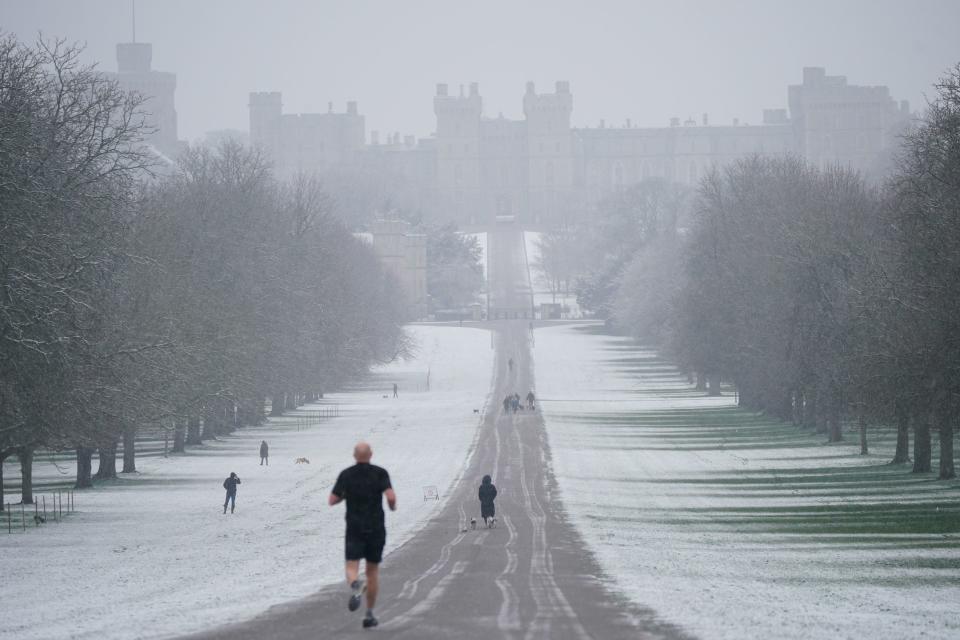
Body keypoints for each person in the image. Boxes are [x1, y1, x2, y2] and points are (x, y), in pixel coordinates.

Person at [329, 442, 397, 629]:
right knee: (372, 571)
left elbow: (332, 500)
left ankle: (355, 585)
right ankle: (369, 614)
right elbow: (390, 496)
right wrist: (392, 506)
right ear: (371, 454)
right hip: (375, 528)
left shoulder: (346, 475)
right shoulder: (380, 473)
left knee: (352, 565)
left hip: (354, 527)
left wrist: (345, 496)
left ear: (354, 455)